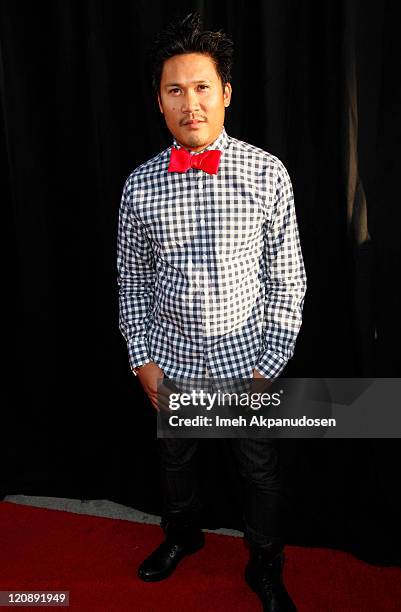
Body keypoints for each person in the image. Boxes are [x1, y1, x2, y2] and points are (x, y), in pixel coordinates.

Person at [117, 13, 306, 612]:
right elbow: (132, 280)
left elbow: (288, 278)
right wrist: (141, 358)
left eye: (202, 87)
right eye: (175, 90)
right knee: (176, 460)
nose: (189, 102)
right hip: (171, 362)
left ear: (225, 93)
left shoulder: (267, 173)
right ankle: (182, 536)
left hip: (248, 362)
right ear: (159, 101)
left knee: (261, 472)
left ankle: (266, 565)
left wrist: (269, 363)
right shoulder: (139, 186)